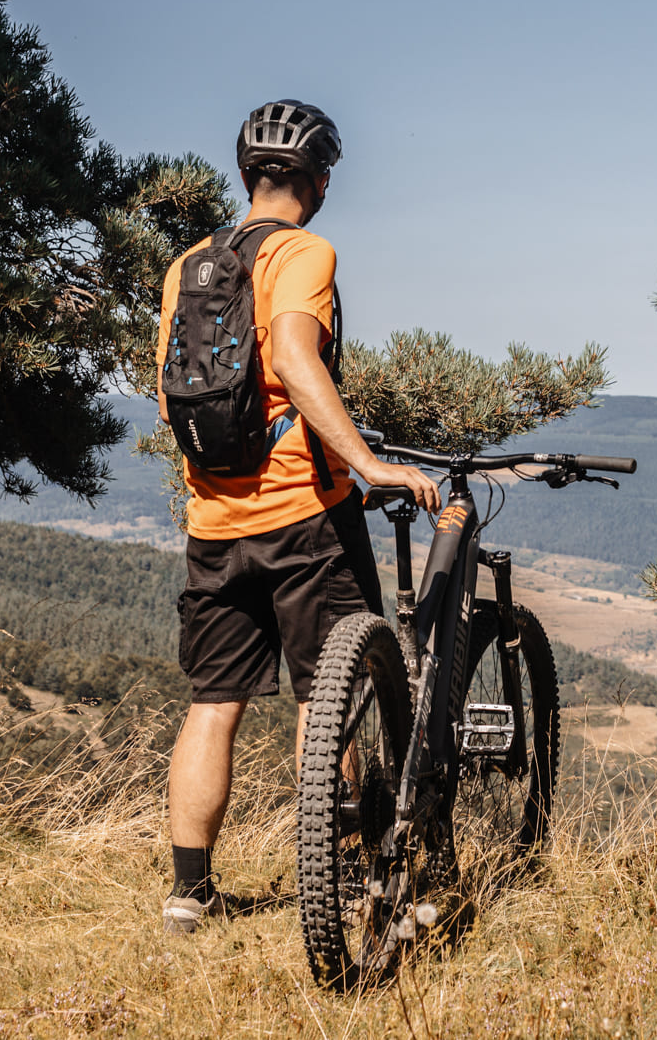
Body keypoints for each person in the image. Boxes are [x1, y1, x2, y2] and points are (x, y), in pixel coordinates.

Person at [156, 100, 439, 933]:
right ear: (318, 181)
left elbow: (173, 390)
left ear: (246, 176)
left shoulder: (185, 267)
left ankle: (189, 892)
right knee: (331, 692)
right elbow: (290, 356)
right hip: (305, 515)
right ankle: (345, 873)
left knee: (214, 701)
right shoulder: (304, 250)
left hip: (213, 517)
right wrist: (368, 461)